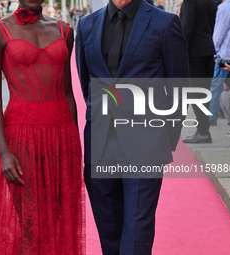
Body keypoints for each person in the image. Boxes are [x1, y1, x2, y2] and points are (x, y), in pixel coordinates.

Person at [76, 0, 189, 254]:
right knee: (108, 230)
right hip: (100, 143)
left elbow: (179, 88)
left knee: (138, 230)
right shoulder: (86, 25)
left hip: (146, 144)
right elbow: (87, 84)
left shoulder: (165, 23)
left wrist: (163, 139)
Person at [0, 0, 84, 254]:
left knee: (56, 218)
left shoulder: (64, 30)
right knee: (31, 224)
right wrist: (4, 151)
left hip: (63, 135)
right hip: (21, 138)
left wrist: (76, 142)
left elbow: (68, 92)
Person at [181, 0, 217, 143]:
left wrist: (179, 52)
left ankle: (202, 132)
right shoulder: (211, 2)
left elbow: (187, 28)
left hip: (194, 53)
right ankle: (203, 131)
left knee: (196, 93)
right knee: (204, 92)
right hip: (207, 49)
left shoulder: (190, 2)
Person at [209, 0, 230, 125]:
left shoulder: (223, 8)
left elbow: (218, 34)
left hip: (224, 55)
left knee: (217, 86)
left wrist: (214, 52)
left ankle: (211, 117)